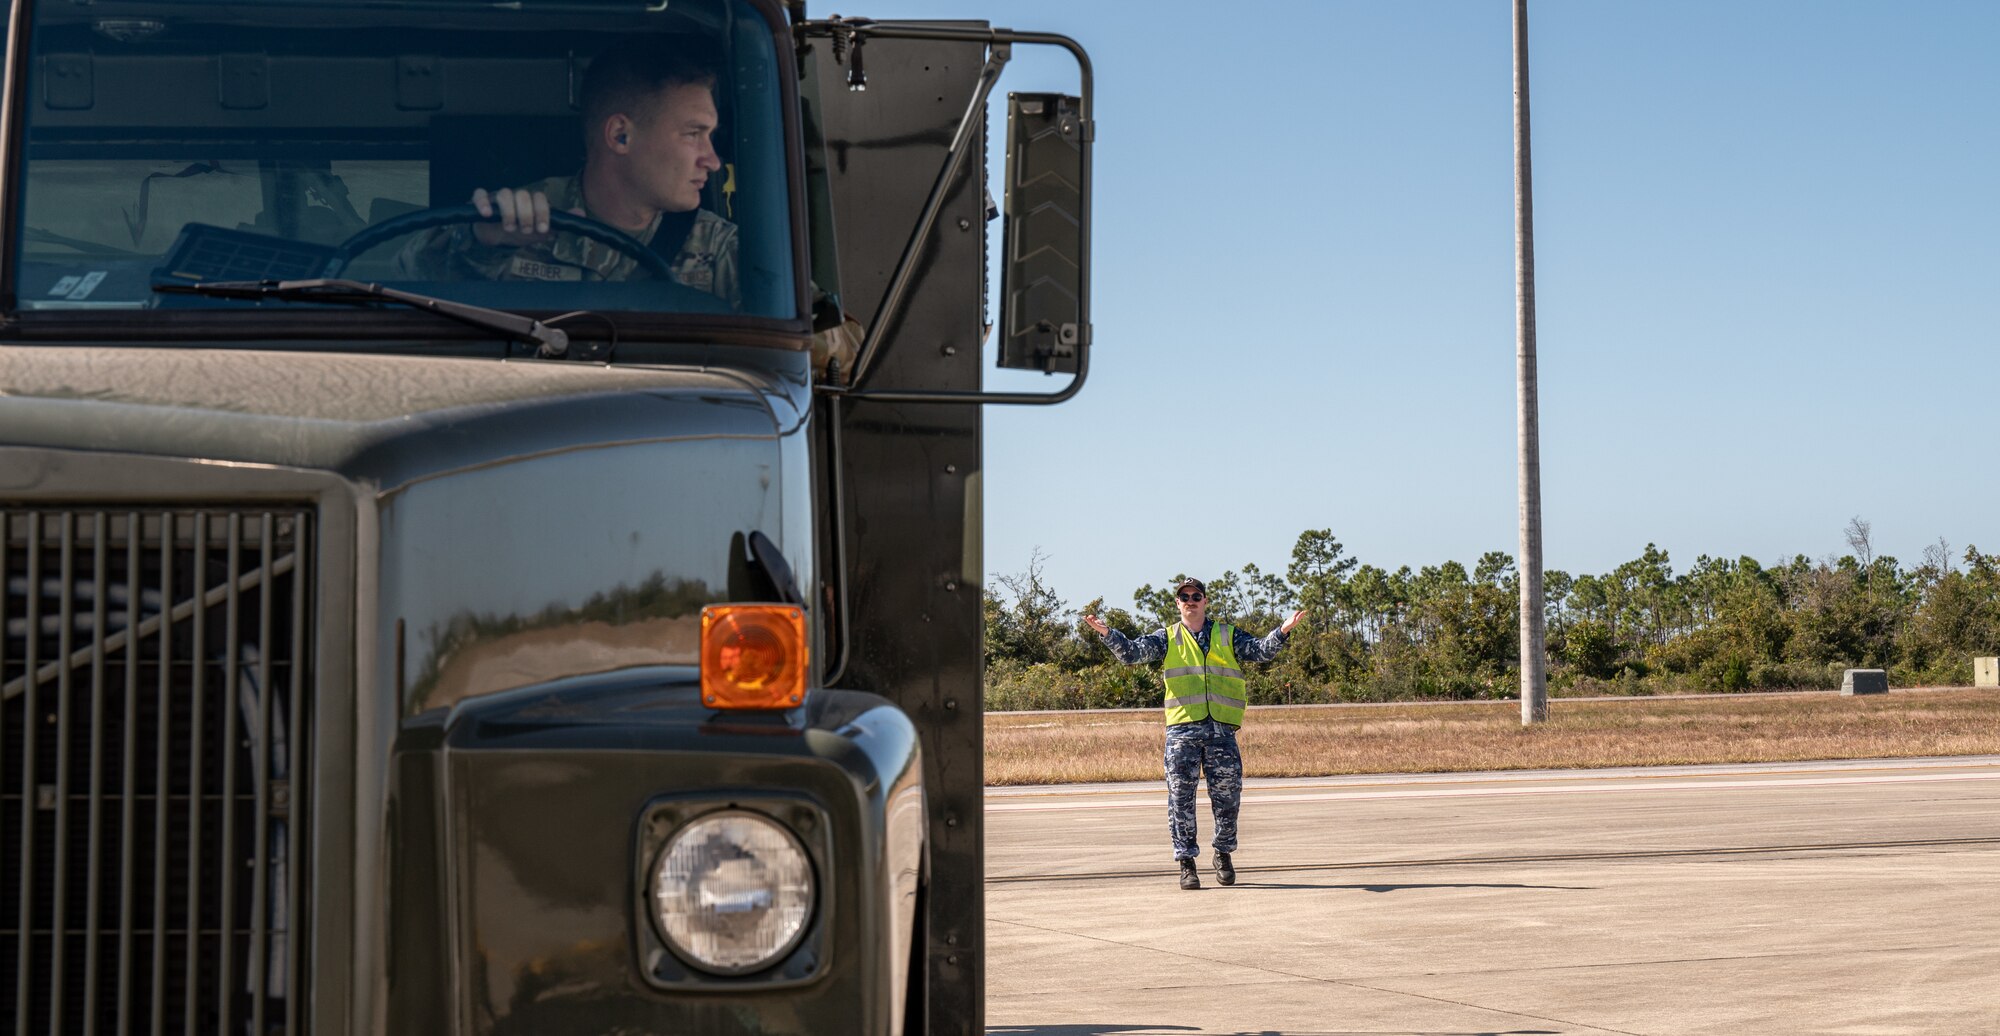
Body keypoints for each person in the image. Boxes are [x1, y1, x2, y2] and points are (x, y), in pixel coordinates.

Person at [395, 41, 739, 306]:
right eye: (694, 134)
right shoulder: (516, 223)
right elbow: (406, 282)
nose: (712, 160)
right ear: (621, 135)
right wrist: (480, 240)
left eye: (710, 137)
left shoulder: (717, 248)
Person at [1084, 579, 1304, 890]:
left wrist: (1282, 631)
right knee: (1180, 800)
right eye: (1184, 597)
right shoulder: (1167, 637)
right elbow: (1132, 654)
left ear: (1205, 601)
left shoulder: (1226, 634)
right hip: (1182, 732)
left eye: (1196, 596)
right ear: (1177, 603)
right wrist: (1108, 634)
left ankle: (1223, 853)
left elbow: (1259, 652)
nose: (1190, 601)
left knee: (1228, 799)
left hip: (1221, 731)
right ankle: (1186, 863)